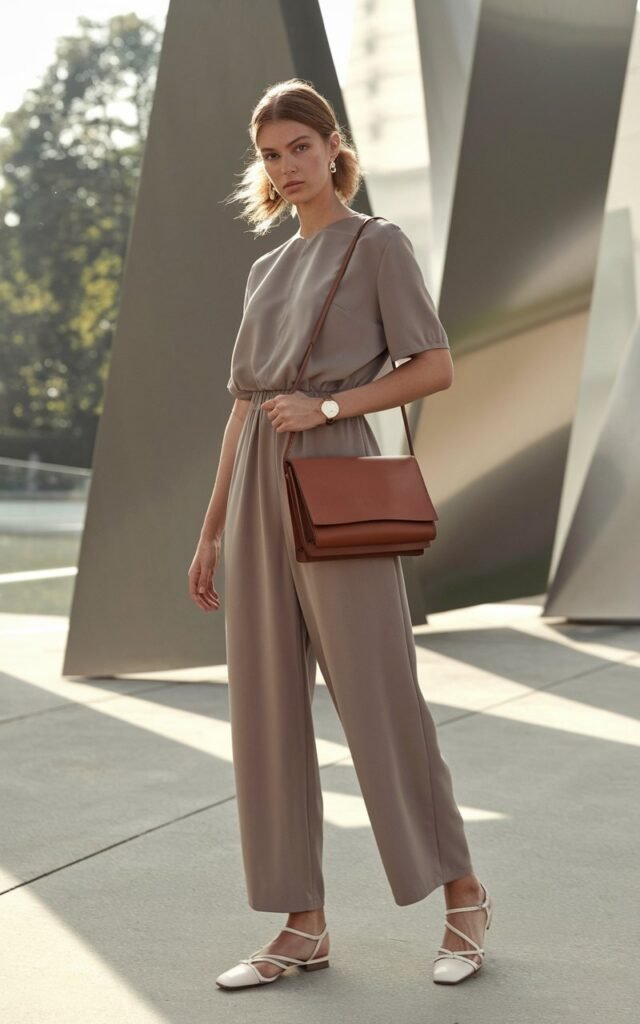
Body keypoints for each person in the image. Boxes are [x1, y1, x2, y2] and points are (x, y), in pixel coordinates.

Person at [188, 78, 494, 990]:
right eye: (272, 155)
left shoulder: (377, 244)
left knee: (381, 699)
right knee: (267, 716)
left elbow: (434, 365)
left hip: (334, 478)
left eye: (299, 147)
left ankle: (465, 898)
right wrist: (208, 534)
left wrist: (328, 401)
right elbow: (244, 413)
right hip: (252, 494)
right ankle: (302, 926)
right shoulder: (262, 270)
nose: (286, 167)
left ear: (332, 147)